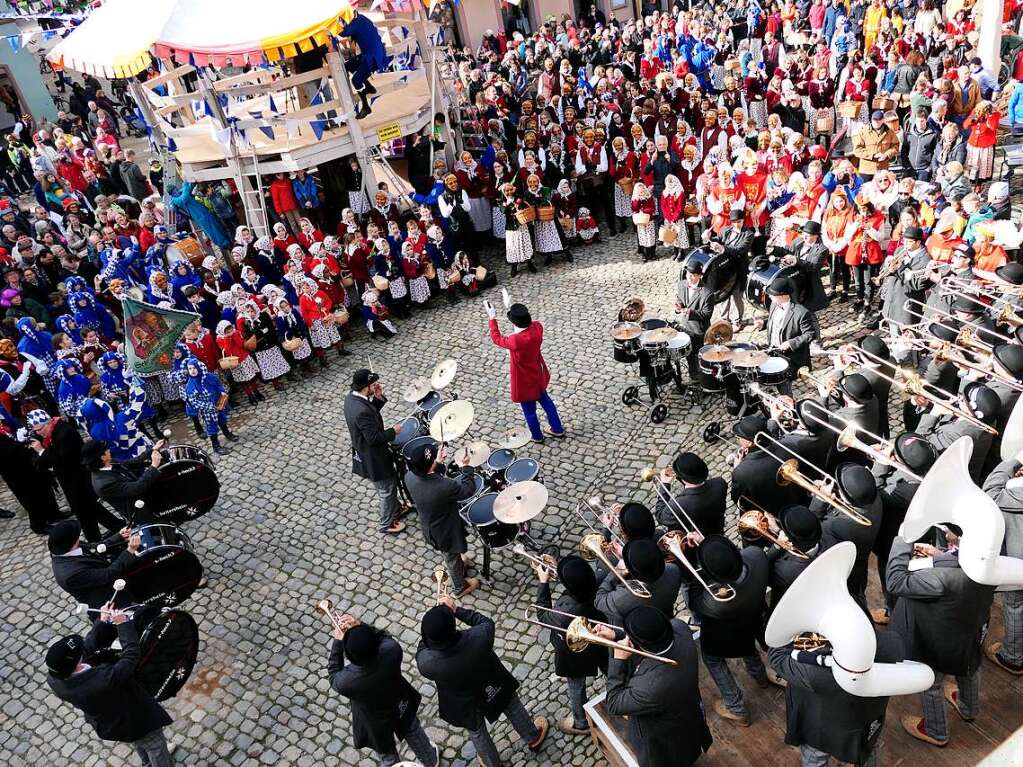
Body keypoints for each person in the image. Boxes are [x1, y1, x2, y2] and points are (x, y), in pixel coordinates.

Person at [887, 534, 995, 746]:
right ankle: (968, 709)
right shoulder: (991, 566)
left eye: (956, 534)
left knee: (932, 683)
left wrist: (903, 538)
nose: (947, 535)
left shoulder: (940, 579)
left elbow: (895, 581)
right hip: (969, 632)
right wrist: (942, 556)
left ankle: (936, 731)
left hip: (937, 640)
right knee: (969, 669)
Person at [416, 597, 549, 767]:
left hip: (463, 700)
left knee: (477, 732)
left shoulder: (427, 664)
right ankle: (532, 737)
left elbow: (422, 648)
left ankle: (492, 764)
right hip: (491, 681)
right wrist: (455, 610)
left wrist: (431, 631)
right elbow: (484, 621)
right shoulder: (479, 637)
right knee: (512, 705)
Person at [46, 607, 176, 766]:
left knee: (140, 742)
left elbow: (86, 649)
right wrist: (123, 625)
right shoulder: (101, 681)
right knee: (156, 746)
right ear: (76, 665)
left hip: (113, 723)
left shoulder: (55, 678)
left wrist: (102, 621)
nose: (83, 652)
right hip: (133, 719)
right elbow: (130, 657)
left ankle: (146, 763)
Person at [600, 604, 713, 767]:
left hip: (665, 740)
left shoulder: (650, 688)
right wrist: (616, 635)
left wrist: (618, 659)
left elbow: (614, 703)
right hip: (687, 713)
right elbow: (651, 641)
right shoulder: (680, 628)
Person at [327, 613, 438, 767]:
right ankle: (430, 761)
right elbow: (383, 636)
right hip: (399, 701)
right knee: (412, 730)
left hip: (373, 720)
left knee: (386, 752)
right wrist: (360, 625)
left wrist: (338, 642)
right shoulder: (392, 650)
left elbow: (333, 674)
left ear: (350, 657)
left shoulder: (348, 682)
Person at [533, 554, 609, 736]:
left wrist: (543, 583)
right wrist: (559, 569)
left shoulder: (565, 612)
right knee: (609, 668)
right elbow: (578, 583)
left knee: (576, 685)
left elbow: (543, 616)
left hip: (576, 649)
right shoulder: (597, 580)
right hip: (601, 639)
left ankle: (581, 722)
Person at [404, 440, 481, 597]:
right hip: (444, 531)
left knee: (454, 556)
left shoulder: (409, 476)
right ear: (429, 465)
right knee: (451, 558)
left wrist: (437, 462)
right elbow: (466, 490)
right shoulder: (444, 486)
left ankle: (461, 565)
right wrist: (466, 468)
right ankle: (459, 587)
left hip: (431, 523)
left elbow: (429, 475)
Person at [486, 300, 565, 444]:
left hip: (523, 382)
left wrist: (492, 318)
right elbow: (526, 324)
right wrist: (512, 308)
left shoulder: (515, 340)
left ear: (514, 323)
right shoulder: (537, 327)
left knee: (530, 412)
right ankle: (557, 428)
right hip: (537, 374)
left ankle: (537, 436)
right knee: (547, 402)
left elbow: (496, 338)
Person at [342, 368, 406, 535]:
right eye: (372, 385)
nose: (375, 386)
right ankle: (386, 523)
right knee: (386, 489)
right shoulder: (361, 409)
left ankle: (396, 508)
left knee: (388, 486)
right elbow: (373, 438)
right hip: (374, 457)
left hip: (367, 453)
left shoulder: (352, 398)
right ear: (366, 386)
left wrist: (377, 399)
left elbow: (369, 417)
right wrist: (393, 431)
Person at [81, 438, 164, 523]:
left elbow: (131, 463)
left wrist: (152, 449)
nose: (109, 450)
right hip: (141, 513)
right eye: (106, 450)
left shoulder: (109, 462)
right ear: (102, 457)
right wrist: (153, 466)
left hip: (147, 498)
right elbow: (137, 488)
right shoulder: (104, 484)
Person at [765, 277, 820, 393]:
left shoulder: (801, 312)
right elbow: (775, 322)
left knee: (784, 385)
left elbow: (810, 334)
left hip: (790, 356)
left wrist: (791, 343)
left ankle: (789, 405)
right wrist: (763, 324)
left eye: (772, 295)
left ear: (783, 296)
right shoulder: (773, 305)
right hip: (774, 351)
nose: (769, 297)